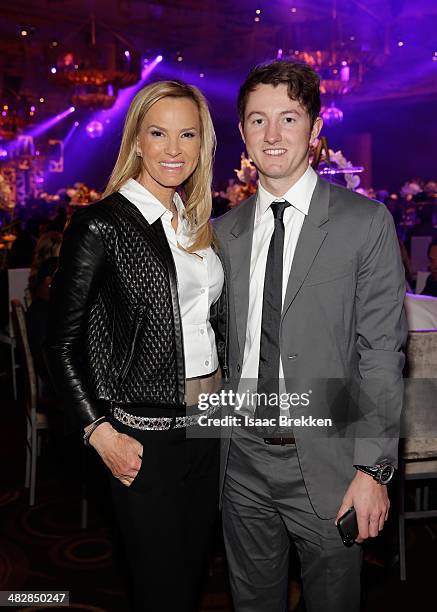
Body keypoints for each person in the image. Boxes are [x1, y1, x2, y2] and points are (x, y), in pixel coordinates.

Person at [213, 60, 407, 612]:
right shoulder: (223, 232)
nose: (272, 135)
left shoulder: (364, 223)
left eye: (289, 119)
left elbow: (380, 356)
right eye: (258, 120)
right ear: (244, 133)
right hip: (241, 457)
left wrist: (372, 469)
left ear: (315, 130)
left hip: (330, 460)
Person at [45, 80, 228, 612]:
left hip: (208, 426)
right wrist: (98, 431)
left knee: (192, 573)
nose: (173, 148)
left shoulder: (194, 223)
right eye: (158, 133)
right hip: (142, 436)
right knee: (159, 586)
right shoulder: (102, 224)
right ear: (137, 141)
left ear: (202, 144)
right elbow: (60, 341)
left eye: (187, 134)